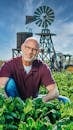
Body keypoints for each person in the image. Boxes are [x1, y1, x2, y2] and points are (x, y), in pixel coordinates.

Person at [0, 37, 70, 103]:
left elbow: (55, 91)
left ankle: (28, 106)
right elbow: (1, 87)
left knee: (65, 100)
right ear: (22, 47)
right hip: (14, 100)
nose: (30, 52)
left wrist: (42, 100)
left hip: (33, 99)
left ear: (38, 52)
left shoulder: (42, 67)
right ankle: (17, 108)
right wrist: (7, 101)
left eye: (34, 49)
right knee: (10, 83)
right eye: (28, 48)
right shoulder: (9, 65)